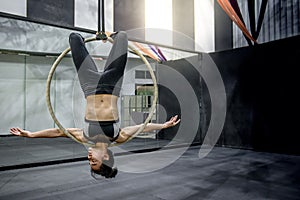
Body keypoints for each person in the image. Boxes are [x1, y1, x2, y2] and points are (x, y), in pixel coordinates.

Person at [10, 31, 181, 179]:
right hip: (111, 85)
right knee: (122, 37)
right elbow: (143, 127)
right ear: (105, 156)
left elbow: (57, 131)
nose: (89, 158)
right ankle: (108, 36)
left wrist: (31, 135)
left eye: (89, 161)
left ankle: (88, 42)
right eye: (94, 161)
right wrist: (164, 125)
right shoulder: (117, 137)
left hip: (89, 87)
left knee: (74, 38)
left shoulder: (86, 137)